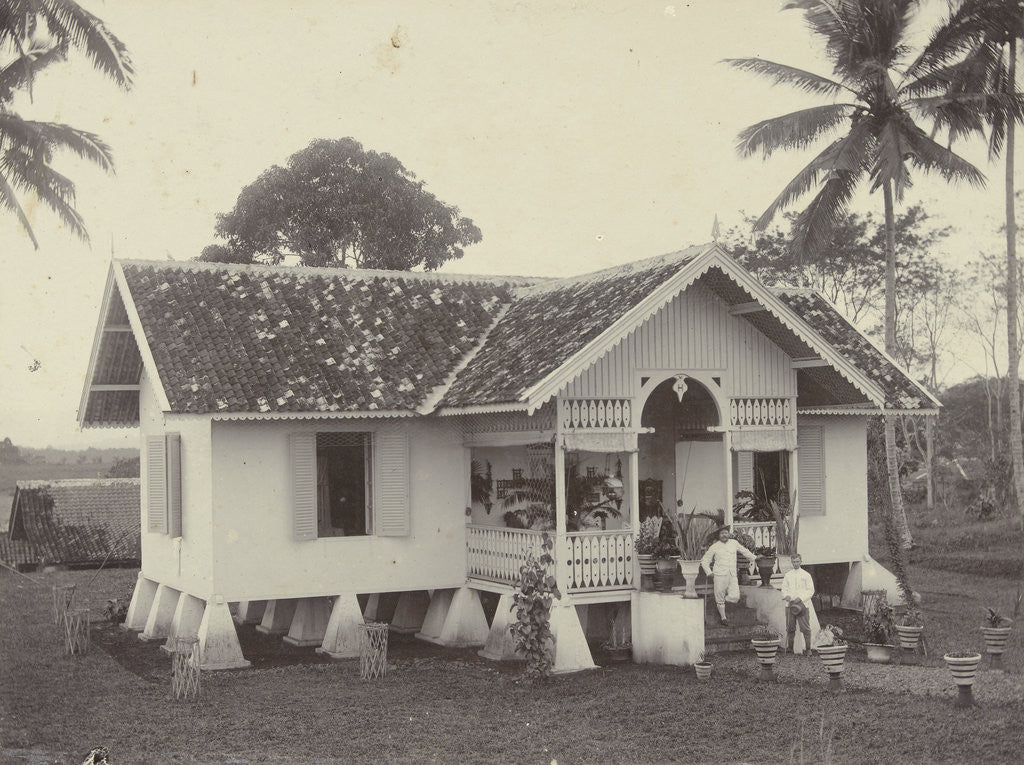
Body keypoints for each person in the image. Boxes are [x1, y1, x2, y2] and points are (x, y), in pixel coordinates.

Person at [700, 526, 756, 626]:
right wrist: (709, 572)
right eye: (722, 533)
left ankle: (721, 603)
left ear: (729, 534)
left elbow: (744, 551)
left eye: (726, 533)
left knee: (735, 596)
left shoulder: (734, 543)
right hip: (719, 575)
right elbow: (704, 561)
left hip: (732, 574)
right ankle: (723, 617)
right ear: (719, 535)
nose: (724, 535)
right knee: (719, 596)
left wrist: (755, 558)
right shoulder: (714, 546)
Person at [780, 554, 815, 653]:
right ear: (791, 562)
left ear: (801, 561)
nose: (795, 564)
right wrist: (786, 596)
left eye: (797, 561)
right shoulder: (788, 575)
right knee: (790, 627)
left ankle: (808, 649)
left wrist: (801, 598)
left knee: (805, 628)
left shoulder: (806, 575)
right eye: (794, 562)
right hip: (790, 604)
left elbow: (810, 590)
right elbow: (784, 588)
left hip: (802, 604)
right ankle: (790, 648)